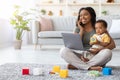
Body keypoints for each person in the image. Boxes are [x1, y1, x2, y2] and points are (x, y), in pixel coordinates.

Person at [60, 7, 116, 71]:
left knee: (108, 52)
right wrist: (81, 30)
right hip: (81, 55)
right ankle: (90, 67)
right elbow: (74, 45)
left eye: (85, 14)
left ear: (91, 16)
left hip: (95, 56)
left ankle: (79, 66)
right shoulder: (78, 28)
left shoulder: (98, 27)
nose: (82, 17)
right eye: (80, 15)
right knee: (63, 50)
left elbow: (113, 45)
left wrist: (99, 50)